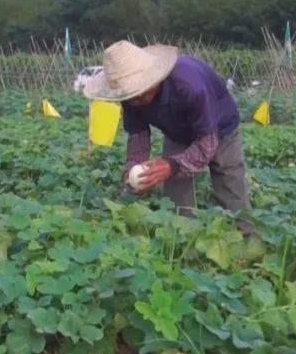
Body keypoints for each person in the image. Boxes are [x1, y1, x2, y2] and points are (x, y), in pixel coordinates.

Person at [83, 40, 251, 222]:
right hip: (177, 132)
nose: (137, 99)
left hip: (219, 128)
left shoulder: (190, 85)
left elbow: (207, 143)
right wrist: (133, 169)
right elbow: (138, 135)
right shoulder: (129, 96)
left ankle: (247, 238)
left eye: (141, 91)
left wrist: (172, 165)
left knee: (230, 186)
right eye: (132, 95)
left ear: (155, 77)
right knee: (176, 191)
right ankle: (183, 236)